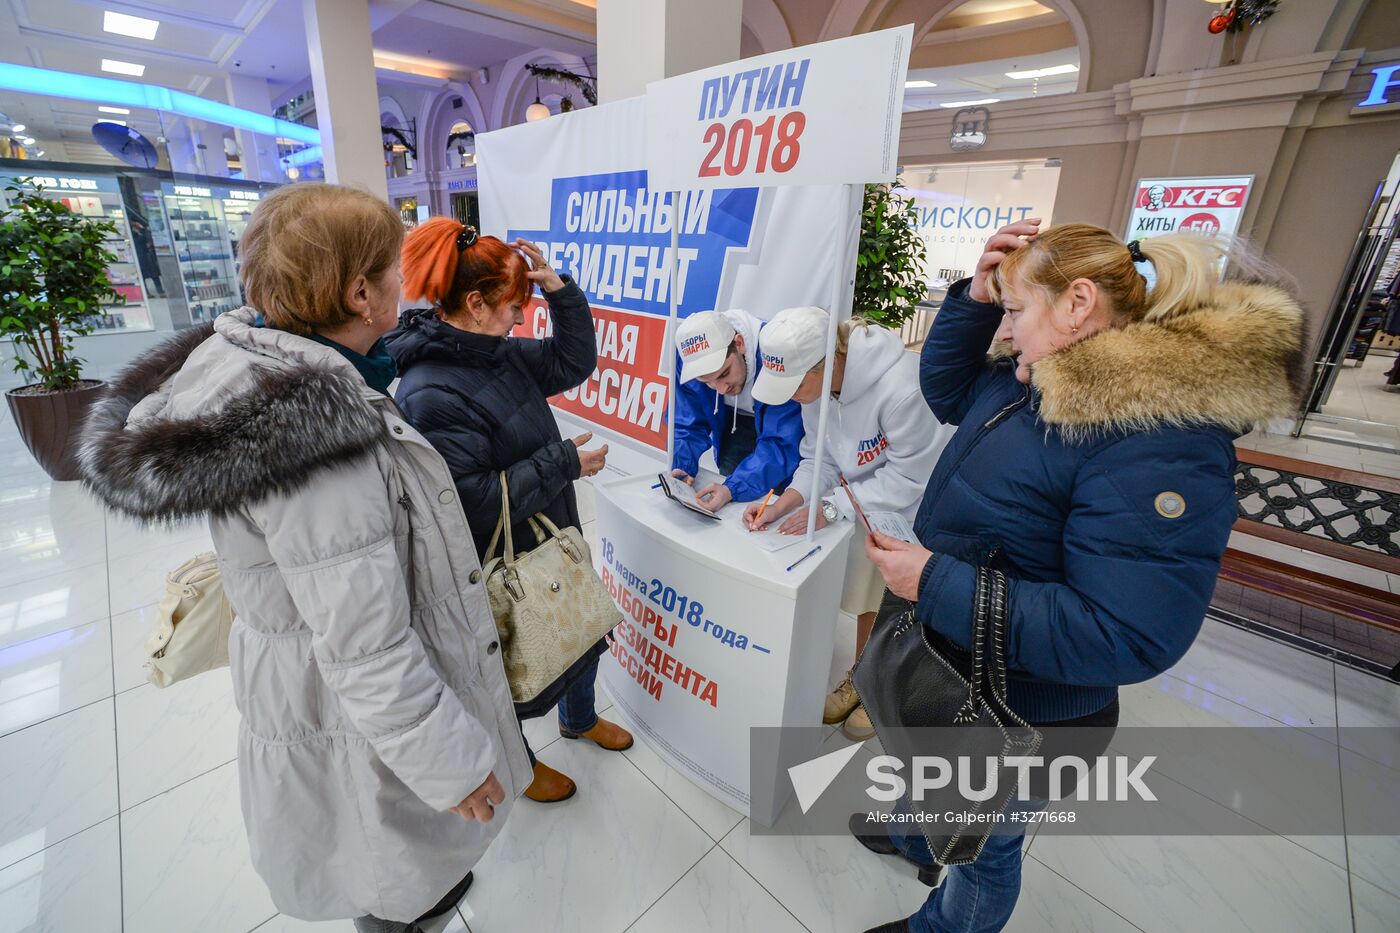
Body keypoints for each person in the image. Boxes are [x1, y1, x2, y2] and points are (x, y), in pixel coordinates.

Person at [79, 184, 528, 932]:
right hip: (350, 716)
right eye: (391, 270)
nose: (404, 285)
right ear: (360, 292)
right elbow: (367, 643)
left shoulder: (256, 367)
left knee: (383, 869)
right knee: (394, 883)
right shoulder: (315, 437)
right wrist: (449, 761)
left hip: (317, 697)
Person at [859, 221, 1306, 933]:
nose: (1004, 336)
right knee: (933, 770)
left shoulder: (1161, 441)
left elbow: (1125, 633)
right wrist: (975, 301)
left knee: (986, 853)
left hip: (1029, 716)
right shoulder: (1038, 380)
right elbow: (946, 390)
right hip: (962, 669)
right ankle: (917, 833)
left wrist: (935, 581)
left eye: (1013, 314)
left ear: (1077, 305)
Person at [387, 218, 633, 805]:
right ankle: (518, 764)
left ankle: (579, 719)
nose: (521, 318)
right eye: (512, 305)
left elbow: (573, 364)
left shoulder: (494, 351)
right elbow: (470, 502)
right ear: (474, 304)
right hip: (504, 555)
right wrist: (564, 461)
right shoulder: (430, 390)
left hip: (549, 529)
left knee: (579, 630)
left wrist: (559, 290)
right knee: (515, 663)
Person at [743, 306, 954, 739]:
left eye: (797, 383)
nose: (793, 395)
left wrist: (832, 506)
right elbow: (817, 459)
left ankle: (886, 696)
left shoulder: (900, 387)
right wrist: (789, 500)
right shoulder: (816, 393)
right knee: (866, 597)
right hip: (866, 506)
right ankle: (862, 677)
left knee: (904, 610)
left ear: (829, 362)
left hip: (921, 511)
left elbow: (910, 477)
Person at [670, 308, 804, 511]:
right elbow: (687, 421)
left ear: (739, 344)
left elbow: (782, 444)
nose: (722, 389)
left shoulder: (776, 354)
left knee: (778, 499)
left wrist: (732, 489)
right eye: (708, 382)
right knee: (729, 499)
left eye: (724, 373)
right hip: (734, 424)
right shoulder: (690, 359)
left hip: (780, 424)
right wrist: (682, 465)